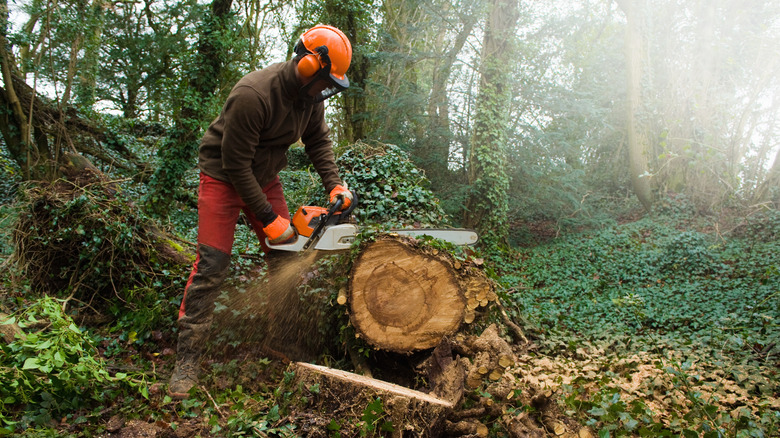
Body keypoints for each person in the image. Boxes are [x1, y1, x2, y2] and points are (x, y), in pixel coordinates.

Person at [168, 24, 355, 398]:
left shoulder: (310, 97)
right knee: (212, 265)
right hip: (224, 176)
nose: (324, 90)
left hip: (265, 175)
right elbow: (235, 164)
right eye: (322, 80)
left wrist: (335, 183)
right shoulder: (253, 94)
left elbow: (317, 140)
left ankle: (281, 340)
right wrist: (269, 220)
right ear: (306, 65)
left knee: (285, 258)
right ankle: (187, 359)